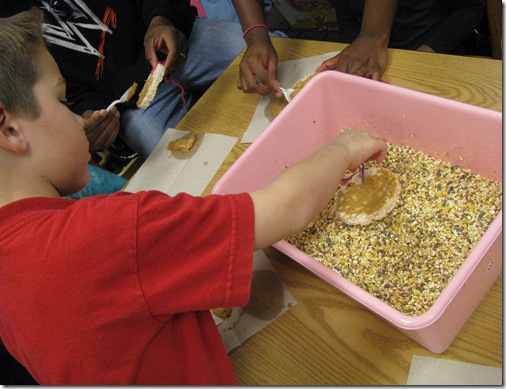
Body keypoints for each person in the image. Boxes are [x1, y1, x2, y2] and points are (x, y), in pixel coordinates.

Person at [0, 8, 387, 384]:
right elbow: (286, 206)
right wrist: (344, 149)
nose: (75, 117)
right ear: (9, 129)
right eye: (64, 101)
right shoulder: (109, 232)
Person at [1, 0, 247, 160]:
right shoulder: (7, 29)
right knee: (183, 163)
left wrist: (161, 19)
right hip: (128, 103)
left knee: (271, 60)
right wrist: (88, 118)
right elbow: (60, 94)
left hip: (178, 38)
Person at [233, 0, 485, 93]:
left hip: (432, 55)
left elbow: (473, 9)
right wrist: (256, 37)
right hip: (366, 62)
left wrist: (423, 54)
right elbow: (346, 19)